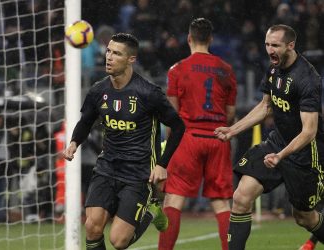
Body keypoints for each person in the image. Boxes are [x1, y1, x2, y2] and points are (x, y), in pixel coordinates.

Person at [63, 33, 185, 250]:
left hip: (138, 172)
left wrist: (162, 164)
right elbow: (86, 121)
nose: (109, 57)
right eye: (108, 51)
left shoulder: (148, 93)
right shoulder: (98, 90)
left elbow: (178, 126)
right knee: (92, 226)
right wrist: (74, 142)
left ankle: (151, 209)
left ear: (131, 59)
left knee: (118, 241)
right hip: (107, 167)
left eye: (117, 53)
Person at [214, 24, 324, 250]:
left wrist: (281, 156)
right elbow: (266, 107)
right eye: (267, 44)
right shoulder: (274, 69)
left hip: (304, 153)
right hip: (277, 142)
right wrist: (233, 130)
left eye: (275, 45)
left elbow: (309, 131)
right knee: (241, 197)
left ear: (290, 45)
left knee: (304, 217)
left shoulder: (308, 79)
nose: (270, 50)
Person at [159, 18, 237, 250]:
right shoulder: (226, 70)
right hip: (217, 138)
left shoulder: (177, 69)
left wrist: (169, 146)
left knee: (173, 200)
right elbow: (231, 114)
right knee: (222, 203)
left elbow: (172, 116)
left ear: (189, 38)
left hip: (188, 139)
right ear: (210, 39)